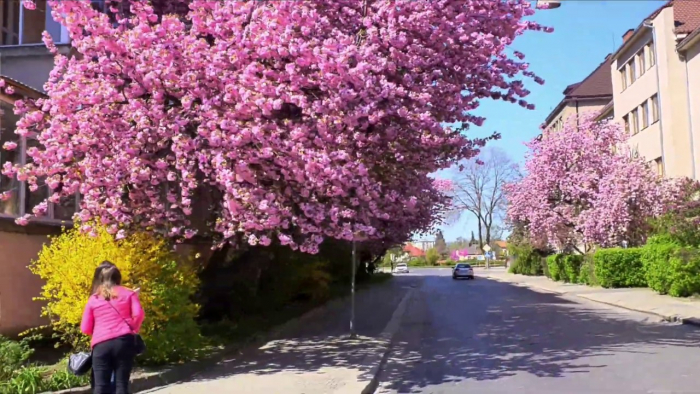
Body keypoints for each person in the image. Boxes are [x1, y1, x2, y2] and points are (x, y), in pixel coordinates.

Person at [81, 261, 145, 394]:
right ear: (118, 277)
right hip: (124, 342)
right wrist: (132, 328)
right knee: (121, 384)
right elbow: (138, 314)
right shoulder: (129, 294)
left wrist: (100, 332)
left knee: (100, 386)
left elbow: (85, 328)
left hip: (101, 345)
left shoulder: (94, 299)